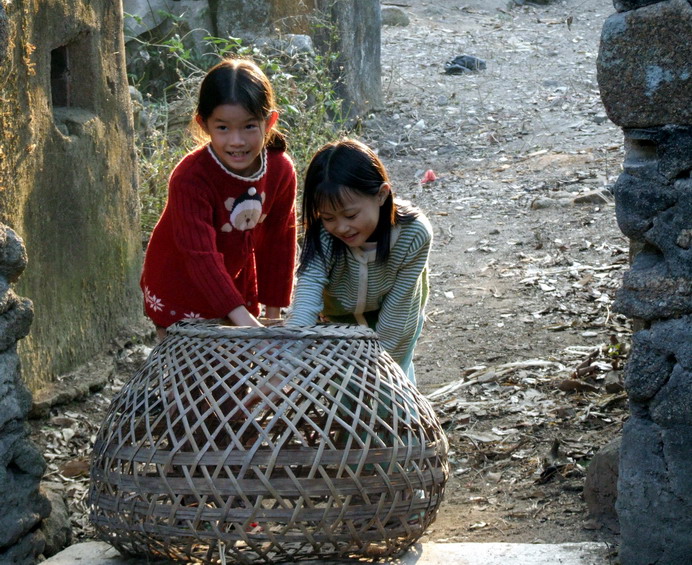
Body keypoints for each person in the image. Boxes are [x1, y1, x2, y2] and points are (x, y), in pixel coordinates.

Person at [140, 58, 297, 340]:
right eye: (223, 128)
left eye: (249, 126)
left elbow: (279, 243)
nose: (236, 141)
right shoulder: (190, 178)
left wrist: (271, 322)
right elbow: (200, 257)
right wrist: (247, 324)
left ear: (269, 121)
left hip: (235, 286)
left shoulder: (279, 170)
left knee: (234, 378)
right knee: (185, 376)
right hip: (179, 287)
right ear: (204, 124)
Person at [286, 138, 432, 383]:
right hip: (339, 321)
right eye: (328, 217)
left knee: (392, 390)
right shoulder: (324, 234)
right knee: (345, 393)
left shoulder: (413, 234)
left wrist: (379, 372)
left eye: (351, 214)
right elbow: (308, 292)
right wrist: (287, 361)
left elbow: (397, 318)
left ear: (381, 195)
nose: (341, 227)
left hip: (398, 316)